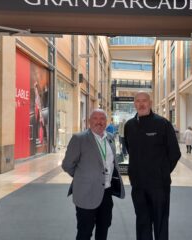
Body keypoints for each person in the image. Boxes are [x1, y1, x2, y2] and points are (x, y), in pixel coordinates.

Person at [124, 92, 181, 240]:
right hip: (138, 185)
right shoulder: (129, 126)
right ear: (134, 104)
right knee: (142, 221)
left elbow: (175, 153)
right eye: (138, 101)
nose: (141, 104)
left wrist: (161, 173)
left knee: (160, 223)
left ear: (150, 103)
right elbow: (130, 150)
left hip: (158, 186)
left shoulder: (162, 124)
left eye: (144, 101)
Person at [62, 109, 125, 240]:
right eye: (95, 118)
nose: (99, 122)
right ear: (89, 121)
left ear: (106, 122)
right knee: (85, 232)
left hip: (106, 193)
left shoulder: (110, 138)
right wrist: (82, 177)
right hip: (86, 193)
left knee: (104, 228)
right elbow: (67, 165)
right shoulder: (79, 139)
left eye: (102, 119)